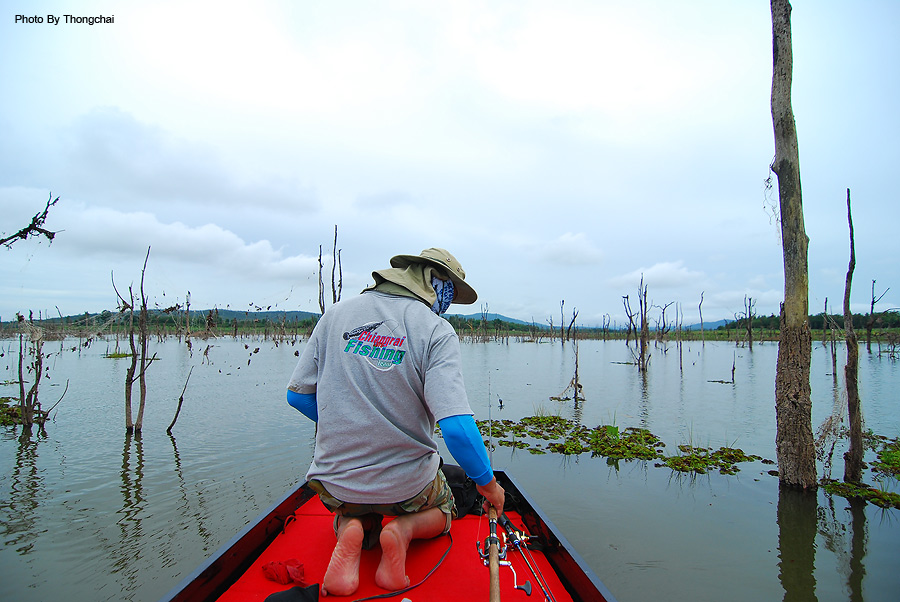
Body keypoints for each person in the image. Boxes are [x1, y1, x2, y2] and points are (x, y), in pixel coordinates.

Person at [286, 247, 505, 596]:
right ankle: (401, 531)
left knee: (351, 508)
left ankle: (350, 529)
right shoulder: (436, 330)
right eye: (450, 292)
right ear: (435, 282)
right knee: (445, 508)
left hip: (337, 485)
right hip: (408, 488)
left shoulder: (336, 315)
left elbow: (297, 396)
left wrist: (344, 421)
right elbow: (456, 429)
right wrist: (489, 486)